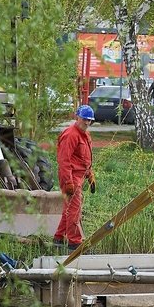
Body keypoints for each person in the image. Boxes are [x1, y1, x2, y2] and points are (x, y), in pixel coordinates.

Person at [53, 105, 96, 251]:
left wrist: (90, 175)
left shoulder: (85, 134)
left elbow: (84, 159)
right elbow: (64, 161)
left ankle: (58, 238)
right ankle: (75, 242)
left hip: (79, 176)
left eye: (90, 120)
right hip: (70, 177)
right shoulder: (70, 135)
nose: (87, 122)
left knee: (69, 208)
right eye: (85, 119)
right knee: (74, 209)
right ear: (77, 117)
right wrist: (68, 182)